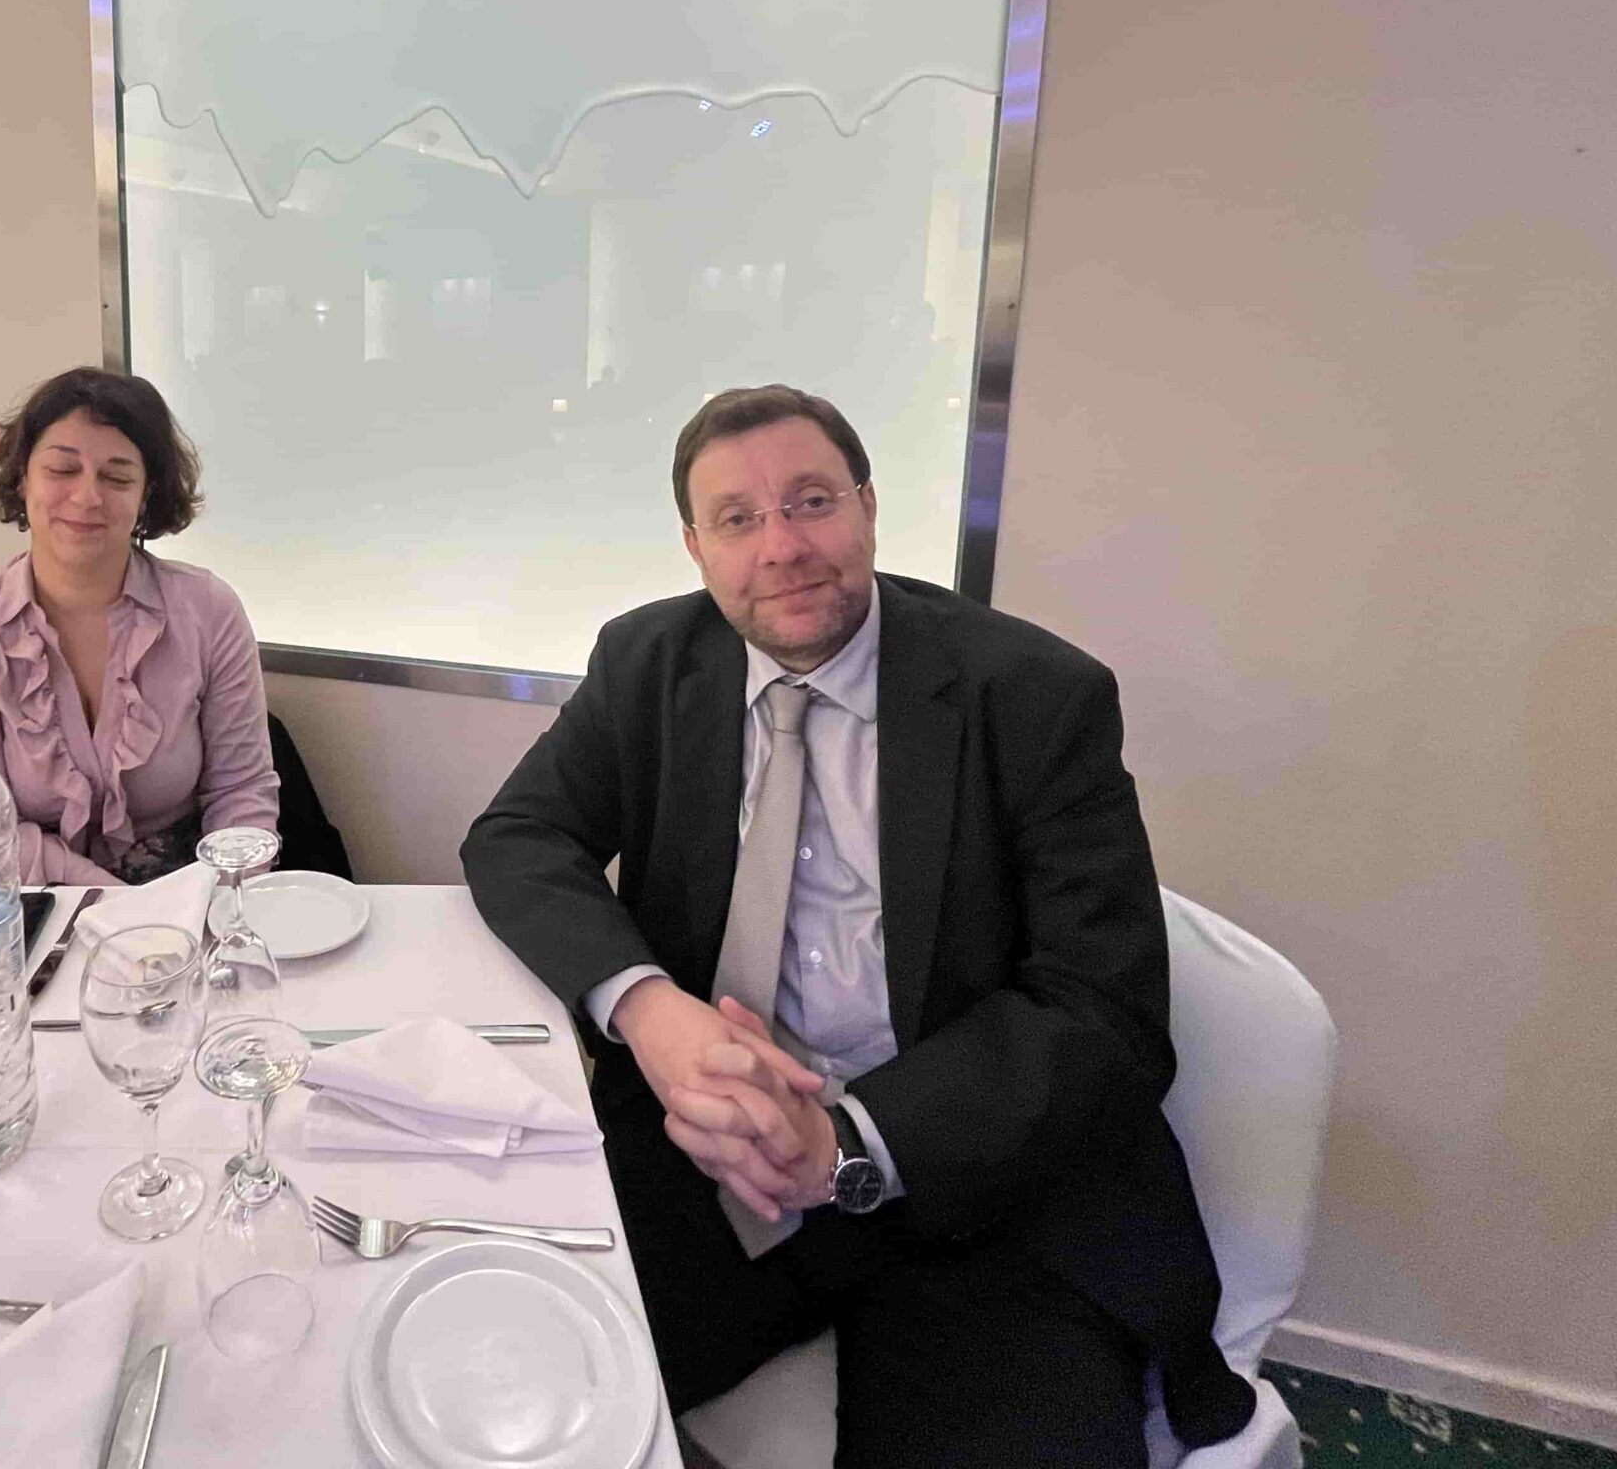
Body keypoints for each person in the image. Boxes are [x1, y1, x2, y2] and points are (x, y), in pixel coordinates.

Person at [462, 385, 1254, 1468]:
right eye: (738, 519)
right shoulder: (649, 662)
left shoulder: (1034, 694)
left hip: (975, 1179)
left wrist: (848, 1142)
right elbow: (518, 837)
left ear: (869, 509)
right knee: (508, 1396)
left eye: (811, 501)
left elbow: (1104, 1010)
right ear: (696, 548)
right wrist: (648, 1011)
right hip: (715, 1153)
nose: (782, 546)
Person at [0, 367, 278, 886]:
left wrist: (219, 901)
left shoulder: (209, 609)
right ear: (22, 478)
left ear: (146, 494)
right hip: (31, 898)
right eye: (63, 469)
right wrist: (117, 907)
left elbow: (241, 793)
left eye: (117, 477)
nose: (87, 496)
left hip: (189, 896)